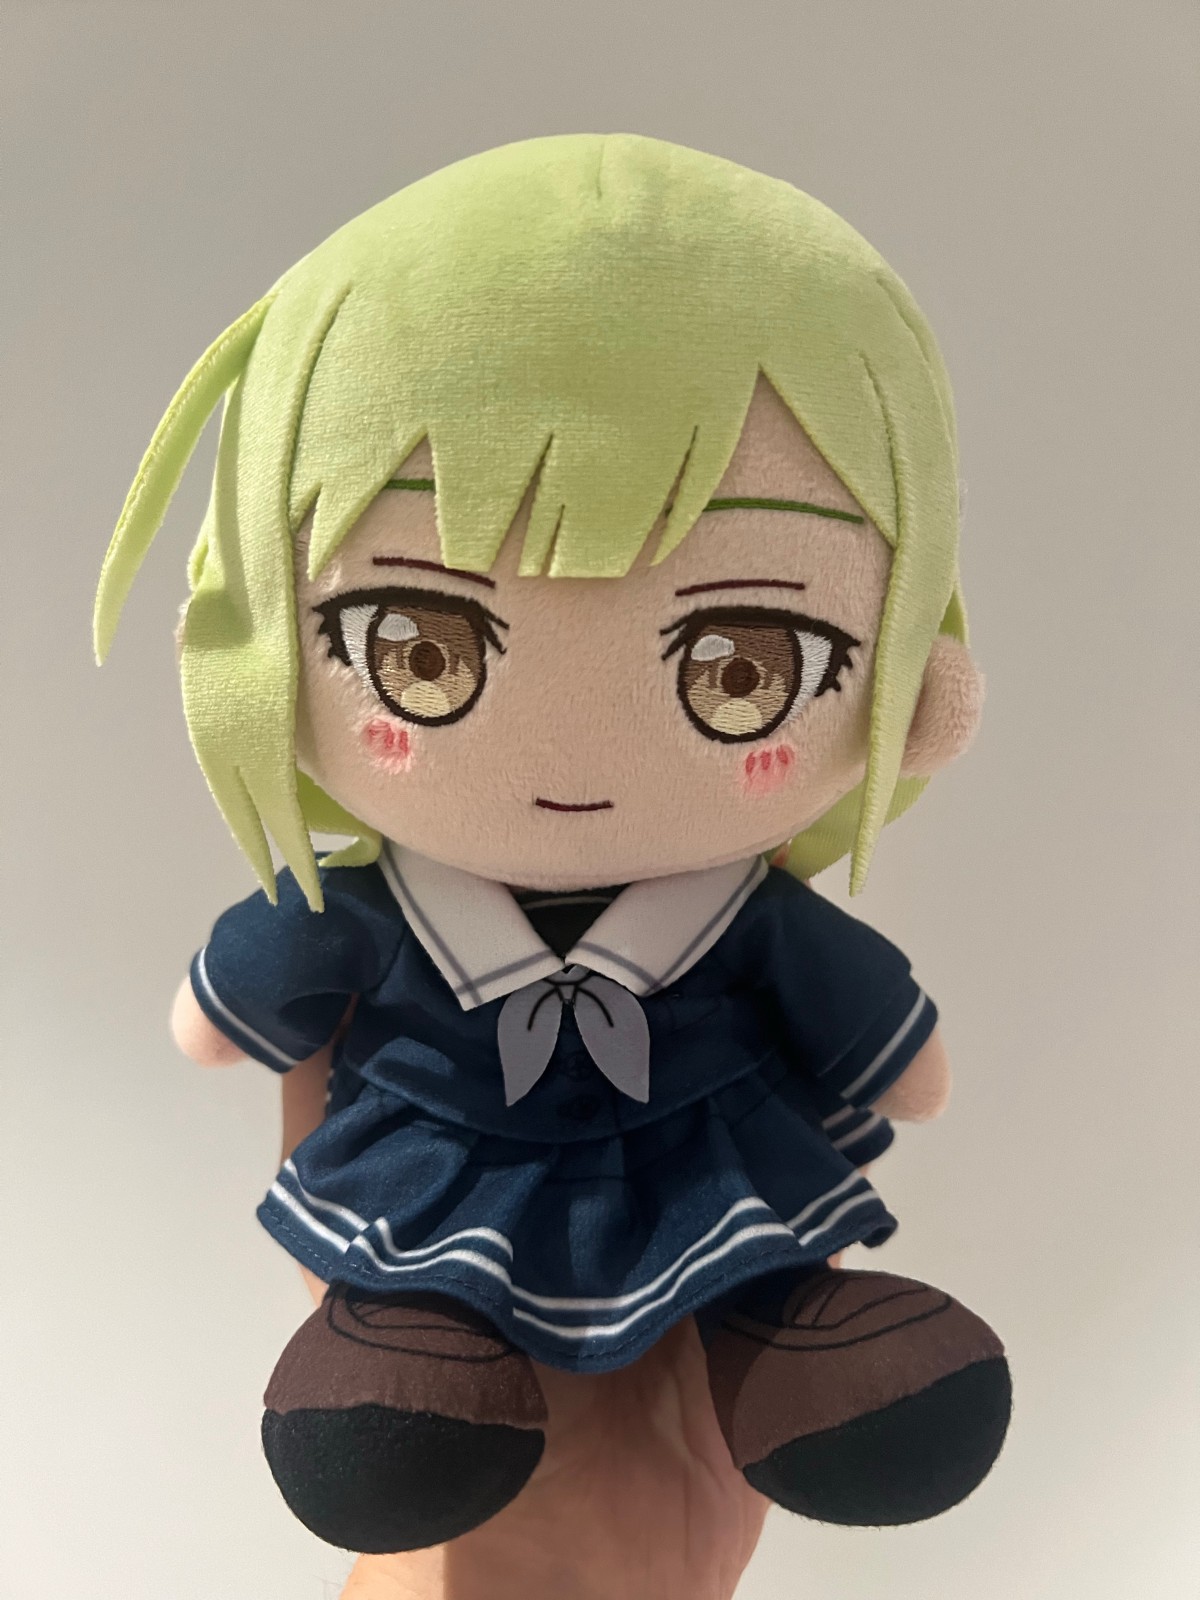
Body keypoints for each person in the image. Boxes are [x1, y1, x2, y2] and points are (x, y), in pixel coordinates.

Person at [97, 134, 1010, 1574]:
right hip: (439, 1169)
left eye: (745, 665)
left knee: (771, 1278)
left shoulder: (747, 921)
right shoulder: (378, 916)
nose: (575, 766)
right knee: (399, 1396)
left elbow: (889, 1043)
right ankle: (413, 1352)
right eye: (421, 650)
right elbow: (240, 996)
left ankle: (779, 1335)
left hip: (707, 1164)